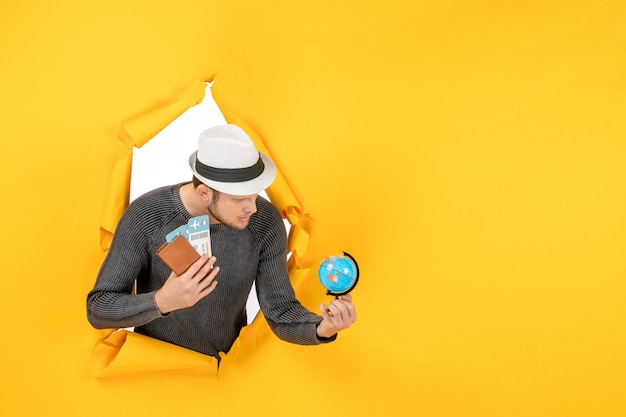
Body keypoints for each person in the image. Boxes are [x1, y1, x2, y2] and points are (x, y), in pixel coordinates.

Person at [87, 124, 356, 360]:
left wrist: (321, 329)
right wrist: (162, 301)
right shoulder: (146, 215)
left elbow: (280, 310)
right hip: (157, 372)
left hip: (225, 374)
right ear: (204, 192)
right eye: (238, 199)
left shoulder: (264, 223)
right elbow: (98, 309)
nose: (252, 208)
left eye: (254, 195)